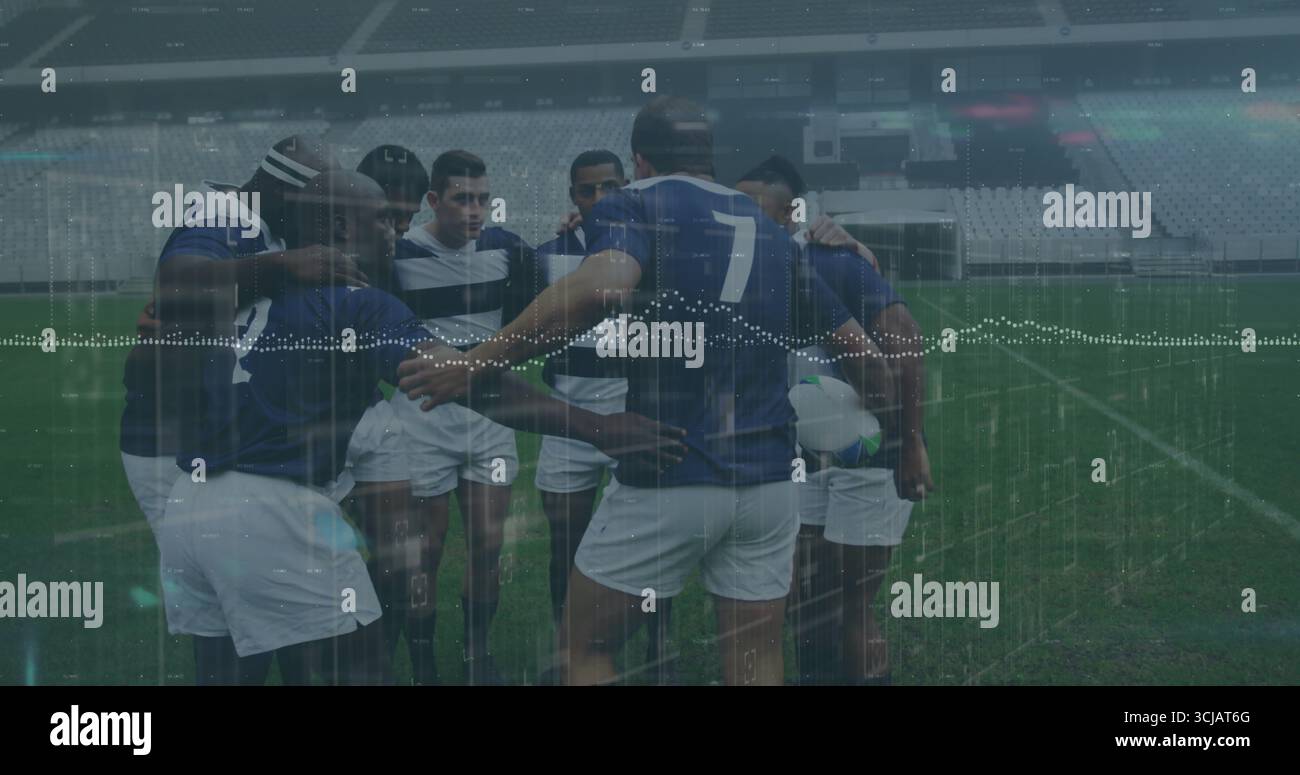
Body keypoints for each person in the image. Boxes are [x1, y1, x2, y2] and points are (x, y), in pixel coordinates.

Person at [397, 96, 897, 685]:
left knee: (585, 648)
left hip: (669, 466)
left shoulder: (638, 204)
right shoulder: (769, 230)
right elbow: (867, 361)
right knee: (755, 655)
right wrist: (883, 430)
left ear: (639, 161)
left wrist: (475, 361)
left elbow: (603, 287)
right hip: (768, 482)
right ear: (710, 156)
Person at [387, 150, 538, 684]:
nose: (475, 211)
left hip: (490, 418)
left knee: (488, 543)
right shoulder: (399, 254)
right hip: (422, 420)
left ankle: (478, 654)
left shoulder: (506, 249)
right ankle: (423, 664)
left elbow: (554, 287)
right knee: (424, 552)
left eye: (482, 200)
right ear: (434, 200)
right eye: (462, 199)